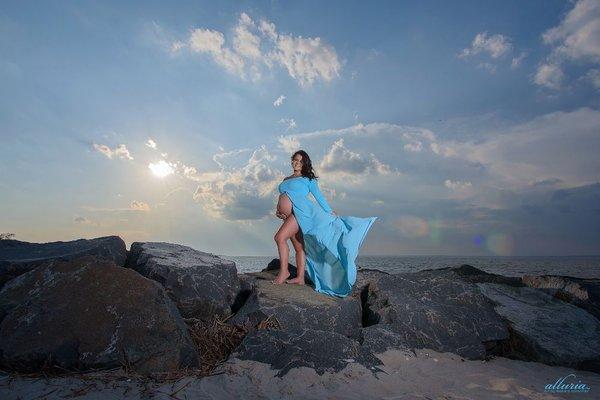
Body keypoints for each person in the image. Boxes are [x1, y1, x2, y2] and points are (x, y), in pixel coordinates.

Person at [273, 150, 377, 297]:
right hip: (288, 216)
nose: (297, 163)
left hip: (300, 213)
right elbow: (285, 196)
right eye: (295, 160)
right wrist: (279, 211)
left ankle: (284, 272)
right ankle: (300, 278)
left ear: (305, 164)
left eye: (301, 161)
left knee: (279, 238)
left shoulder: (308, 180)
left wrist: (330, 212)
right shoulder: (286, 178)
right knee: (299, 247)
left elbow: (319, 197)